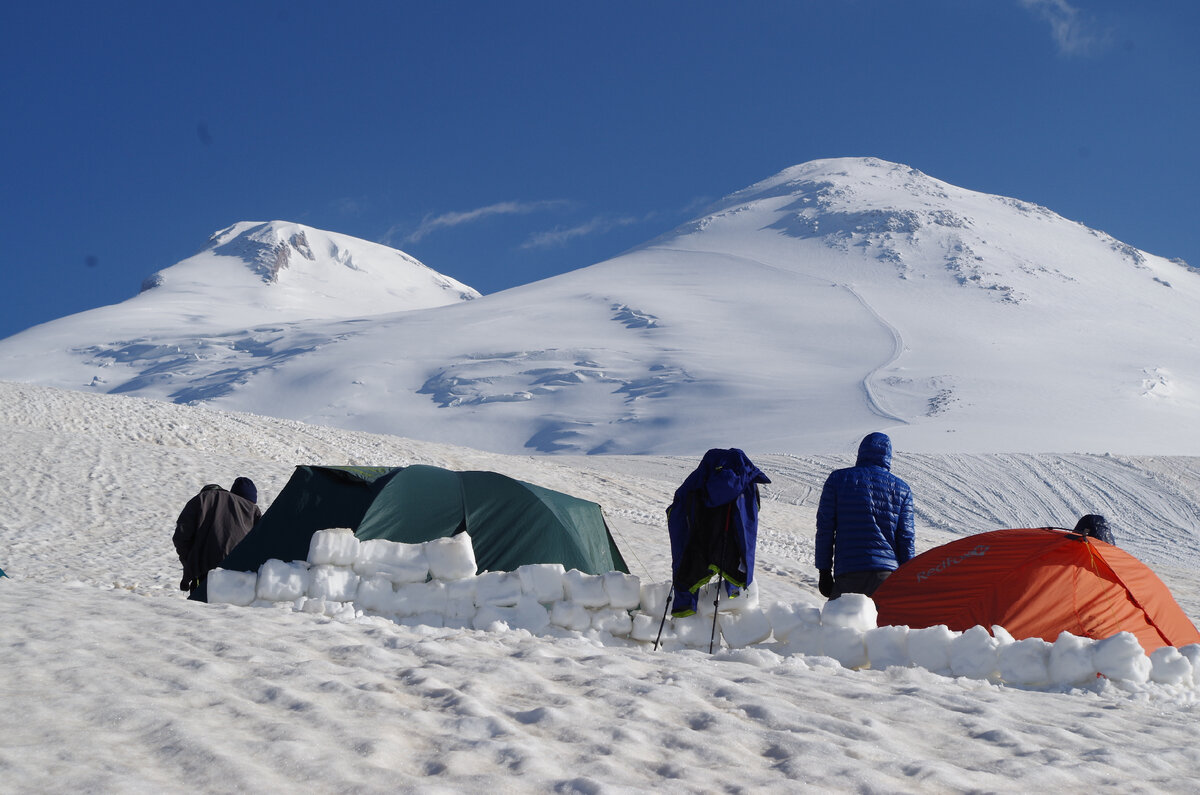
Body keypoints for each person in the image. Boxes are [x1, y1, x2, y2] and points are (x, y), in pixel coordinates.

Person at [814, 432, 915, 599]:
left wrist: (824, 571)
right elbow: (906, 537)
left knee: (842, 624)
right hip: (887, 576)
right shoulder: (902, 489)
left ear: (861, 452)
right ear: (888, 456)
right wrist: (909, 576)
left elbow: (825, 528)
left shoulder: (838, 480)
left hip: (848, 571)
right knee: (882, 624)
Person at [173, 477, 261, 594]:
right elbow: (261, 541)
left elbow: (181, 538)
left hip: (206, 573)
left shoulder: (201, 500)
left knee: (205, 609)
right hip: (242, 575)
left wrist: (191, 566)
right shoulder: (252, 510)